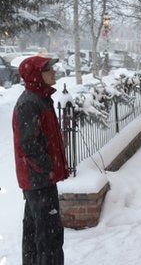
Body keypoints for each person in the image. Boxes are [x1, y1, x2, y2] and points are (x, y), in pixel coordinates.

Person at [13, 56, 69, 265]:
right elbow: (28, 145)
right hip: (38, 181)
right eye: (48, 70)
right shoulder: (29, 103)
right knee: (48, 237)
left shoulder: (40, 98)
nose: (54, 72)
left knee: (38, 234)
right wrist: (48, 168)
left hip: (40, 180)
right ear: (37, 76)